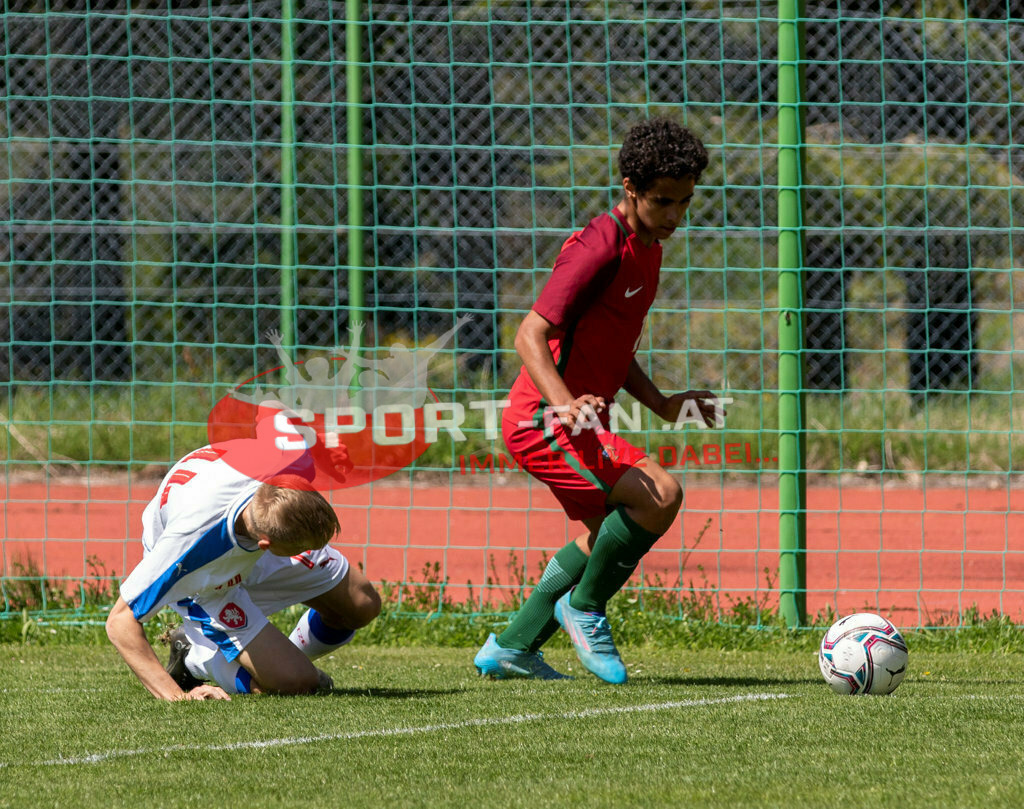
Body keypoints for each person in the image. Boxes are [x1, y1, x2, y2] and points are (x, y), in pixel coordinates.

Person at [473, 117, 716, 684]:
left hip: (571, 418)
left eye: (685, 202)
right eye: (663, 201)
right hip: (543, 421)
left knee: (599, 536)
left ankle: (511, 648)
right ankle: (583, 609)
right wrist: (561, 402)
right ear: (630, 188)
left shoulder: (648, 245)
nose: (676, 215)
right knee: (661, 495)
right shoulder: (597, 247)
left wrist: (662, 402)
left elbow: (611, 346)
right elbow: (529, 333)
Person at [106, 443, 381, 700]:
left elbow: (272, 405)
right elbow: (120, 622)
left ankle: (278, 662)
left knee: (361, 604)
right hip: (207, 584)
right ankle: (195, 658)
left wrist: (324, 447)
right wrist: (177, 697)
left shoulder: (284, 458)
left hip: (250, 540)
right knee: (299, 683)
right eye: (304, 547)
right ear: (266, 544)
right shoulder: (188, 548)